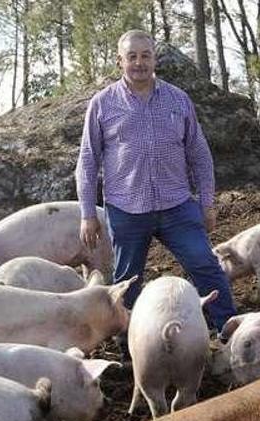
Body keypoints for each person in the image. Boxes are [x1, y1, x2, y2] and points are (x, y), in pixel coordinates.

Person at [75, 29, 237, 331]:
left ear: (154, 59)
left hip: (176, 204)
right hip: (126, 208)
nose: (139, 62)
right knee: (127, 281)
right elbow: (87, 160)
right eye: (132, 56)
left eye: (145, 55)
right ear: (119, 61)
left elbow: (199, 154)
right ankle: (130, 345)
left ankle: (229, 330)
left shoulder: (178, 99)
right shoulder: (102, 104)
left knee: (205, 265)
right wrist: (87, 213)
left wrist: (207, 203)